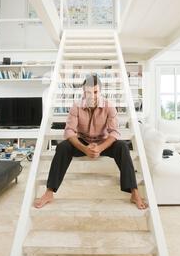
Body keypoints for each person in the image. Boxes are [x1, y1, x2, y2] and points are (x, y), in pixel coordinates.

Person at [34, 74, 147, 210]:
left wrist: (99, 148)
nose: (92, 96)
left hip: (103, 141)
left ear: (100, 91)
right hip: (83, 141)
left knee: (122, 146)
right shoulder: (76, 106)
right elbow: (69, 132)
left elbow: (114, 133)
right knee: (63, 147)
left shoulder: (109, 106)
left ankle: (134, 192)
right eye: (88, 92)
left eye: (95, 92)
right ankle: (49, 192)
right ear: (83, 91)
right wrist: (85, 149)